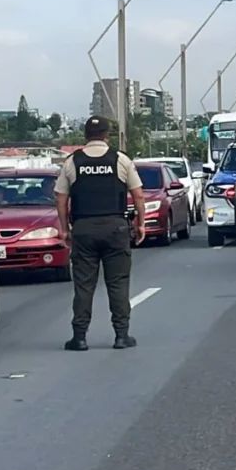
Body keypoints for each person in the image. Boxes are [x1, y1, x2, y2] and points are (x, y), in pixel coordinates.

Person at [54, 115, 146, 351]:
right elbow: (138, 195)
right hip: (115, 228)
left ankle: (80, 337)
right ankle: (121, 336)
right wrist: (140, 225)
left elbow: (61, 198)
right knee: (118, 283)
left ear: (85, 136)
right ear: (107, 135)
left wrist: (65, 229)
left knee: (84, 285)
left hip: (84, 229)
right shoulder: (120, 159)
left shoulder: (72, 161)